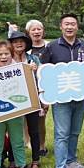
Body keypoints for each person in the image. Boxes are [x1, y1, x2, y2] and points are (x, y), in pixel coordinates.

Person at [39, 13, 84, 168]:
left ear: (77, 27)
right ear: (61, 26)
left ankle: (71, 160)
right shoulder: (52, 46)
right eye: (66, 24)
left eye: (73, 24)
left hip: (80, 96)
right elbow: (43, 71)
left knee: (75, 131)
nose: (69, 27)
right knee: (62, 134)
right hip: (60, 98)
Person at [8, 32, 42, 168]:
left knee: (34, 130)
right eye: (15, 41)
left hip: (32, 99)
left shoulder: (33, 58)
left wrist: (36, 70)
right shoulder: (7, 59)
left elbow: (42, 78)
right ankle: (13, 163)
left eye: (22, 41)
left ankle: (35, 161)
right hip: (12, 101)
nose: (19, 44)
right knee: (13, 132)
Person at [26, 20, 49, 158]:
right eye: (33, 30)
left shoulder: (50, 46)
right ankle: (27, 141)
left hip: (44, 86)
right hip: (28, 87)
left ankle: (42, 144)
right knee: (25, 116)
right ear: (28, 33)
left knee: (42, 116)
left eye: (39, 29)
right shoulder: (24, 48)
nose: (36, 32)